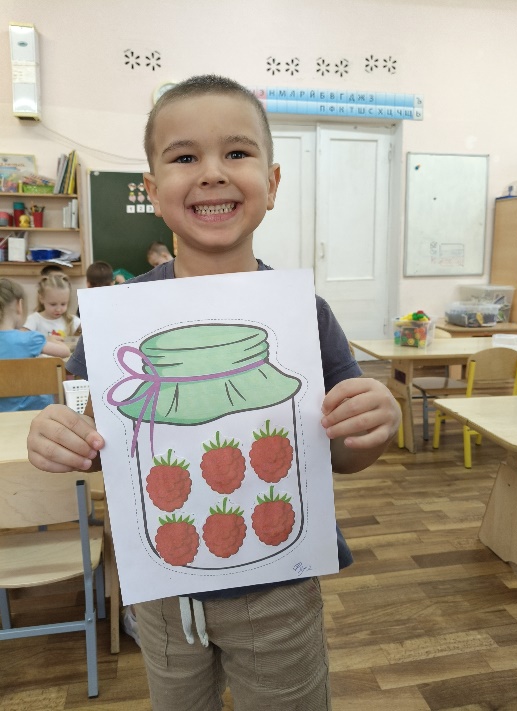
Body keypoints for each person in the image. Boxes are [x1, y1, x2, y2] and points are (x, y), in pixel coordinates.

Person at [27, 74, 400, 711]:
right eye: (183, 157)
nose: (211, 173)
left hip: (280, 588)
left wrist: (373, 424)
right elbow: (84, 419)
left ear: (272, 183)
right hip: (162, 593)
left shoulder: (304, 316)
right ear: (152, 190)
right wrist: (57, 430)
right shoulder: (118, 318)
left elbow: (342, 454)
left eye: (236, 152)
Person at [0, 277, 70, 412]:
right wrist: (48, 339)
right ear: (19, 306)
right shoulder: (31, 339)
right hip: (37, 411)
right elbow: (65, 351)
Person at [23, 272, 81, 340]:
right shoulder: (34, 320)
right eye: (53, 304)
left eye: (63, 304)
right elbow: (22, 338)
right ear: (41, 298)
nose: (58, 309)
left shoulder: (72, 320)